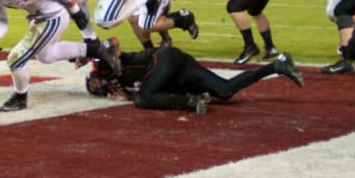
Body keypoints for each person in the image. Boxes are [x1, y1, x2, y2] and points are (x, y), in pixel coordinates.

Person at [85, 46, 304, 116]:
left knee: (142, 100)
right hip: (175, 69)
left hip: (164, 59)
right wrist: (125, 95)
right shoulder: (125, 88)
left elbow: (109, 44)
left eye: (97, 83)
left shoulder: (111, 62)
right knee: (225, 91)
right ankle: (278, 65)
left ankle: (191, 102)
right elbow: (153, 91)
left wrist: (85, 52)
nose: (102, 88)